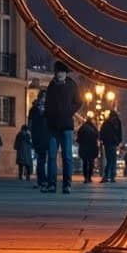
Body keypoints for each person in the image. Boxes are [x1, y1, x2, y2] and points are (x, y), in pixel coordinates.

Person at [46, 61, 82, 194]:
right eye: (58, 72)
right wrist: (48, 115)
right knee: (52, 156)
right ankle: (51, 184)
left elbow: (79, 102)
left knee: (67, 156)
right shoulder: (51, 85)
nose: (59, 74)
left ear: (65, 73)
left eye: (62, 72)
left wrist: (68, 111)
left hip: (66, 126)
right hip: (53, 126)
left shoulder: (72, 85)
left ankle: (67, 184)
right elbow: (48, 103)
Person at [29, 93, 51, 190]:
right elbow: (30, 124)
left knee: (45, 159)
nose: (43, 100)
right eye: (43, 98)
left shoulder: (48, 109)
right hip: (38, 136)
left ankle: (44, 180)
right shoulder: (34, 110)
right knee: (40, 159)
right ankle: (42, 180)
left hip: (46, 136)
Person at [100, 110, 124, 183]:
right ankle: (112, 176)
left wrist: (102, 140)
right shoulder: (117, 122)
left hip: (107, 143)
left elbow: (102, 132)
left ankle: (107, 176)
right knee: (113, 159)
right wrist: (119, 141)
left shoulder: (106, 122)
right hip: (113, 143)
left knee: (109, 159)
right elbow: (120, 132)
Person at [77, 118, 100, 183]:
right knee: (91, 163)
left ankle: (85, 177)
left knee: (85, 163)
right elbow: (98, 136)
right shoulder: (94, 129)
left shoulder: (82, 128)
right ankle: (89, 177)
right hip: (92, 148)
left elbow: (79, 138)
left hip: (84, 147)